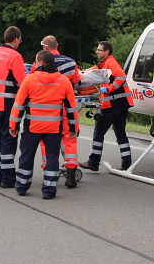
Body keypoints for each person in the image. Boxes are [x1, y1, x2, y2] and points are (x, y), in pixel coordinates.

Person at [8, 50, 79, 199]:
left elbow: (18, 106)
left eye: (35, 61)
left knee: (27, 156)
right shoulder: (64, 81)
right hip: (54, 128)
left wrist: (13, 126)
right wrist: (73, 129)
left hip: (33, 127)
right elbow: (72, 109)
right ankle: (49, 190)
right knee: (52, 157)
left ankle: (22, 186)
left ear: (40, 63)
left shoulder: (30, 80)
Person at [80, 41, 134, 171]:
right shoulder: (105, 63)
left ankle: (93, 161)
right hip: (121, 104)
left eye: (99, 50)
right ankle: (126, 162)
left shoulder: (110, 62)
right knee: (120, 133)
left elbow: (121, 76)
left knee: (99, 131)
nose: (97, 52)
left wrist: (109, 89)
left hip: (114, 104)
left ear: (107, 51)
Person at [39, 35, 82, 188]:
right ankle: (70, 175)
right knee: (70, 138)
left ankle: (48, 171)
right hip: (65, 106)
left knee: (46, 140)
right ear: (57, 45)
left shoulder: (40, 61)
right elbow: (77, 81)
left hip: (46, 107)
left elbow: (33, 79)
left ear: (45, 47)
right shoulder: (70, 62)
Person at [0, 26, 26, 188]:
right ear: (16, 39)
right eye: (20, 40)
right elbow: (21, 82)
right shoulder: (14, 56)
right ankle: (8, 179)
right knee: (9, 138)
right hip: (7, 103)